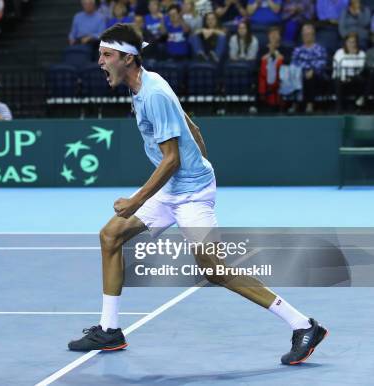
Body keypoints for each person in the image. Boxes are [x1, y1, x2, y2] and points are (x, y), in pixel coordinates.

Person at [68, 23, 328, 367]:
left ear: (128, 59)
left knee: (215, 269)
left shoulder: (153, 94)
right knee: (110, 236)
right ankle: (110, 329)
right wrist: (202, 159)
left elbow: (172, 159)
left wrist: (138, 200)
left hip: (189, 193)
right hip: (174, 186)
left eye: (106, 55)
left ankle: (303, 325)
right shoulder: (146, 83)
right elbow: (191, 124)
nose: (99, 61)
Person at [290, 23, 328, 113]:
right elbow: (294, 63)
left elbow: (322, 63)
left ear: (313, 35)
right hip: (300, 73)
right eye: (304, 34)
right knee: (295, 75)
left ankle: (309, 104)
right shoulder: (297, 50)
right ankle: (295, 103)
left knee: (311, 76)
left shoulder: (320, 49)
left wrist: (312, 70)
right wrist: (302, 71)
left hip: (316, 74)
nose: (306, 36)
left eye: (308, 34)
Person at [333, 33, 366, 110]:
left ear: (357, 43)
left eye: (354, 42)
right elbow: (336, 68)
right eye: (350, 42)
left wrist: (353, 55)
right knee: (337, 81)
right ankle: (339, 108)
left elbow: (361, 70)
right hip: (341, 79)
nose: (352, 44)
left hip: (355, 80)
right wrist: (344, 78)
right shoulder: (339, 53)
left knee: (360, 79)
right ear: (345, 43)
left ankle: (359, 107)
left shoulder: (361, 54)